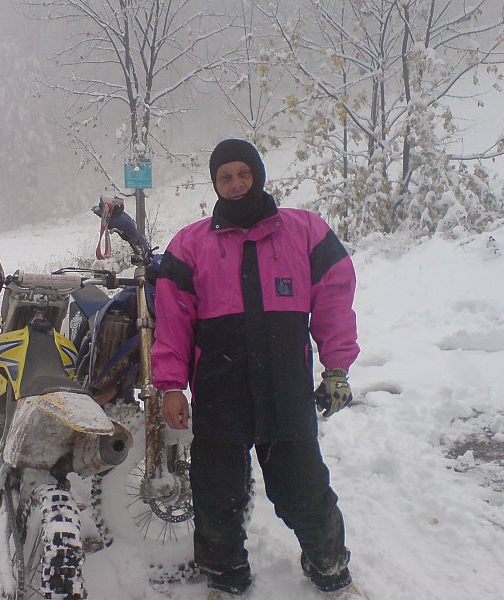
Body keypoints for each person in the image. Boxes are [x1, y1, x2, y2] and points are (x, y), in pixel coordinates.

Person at [151, 139, 360, 599]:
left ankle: (329, 566)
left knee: (304, 488)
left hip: (285, 388)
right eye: (225, 177)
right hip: (219, 389)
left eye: (243, 173)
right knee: (216, 494)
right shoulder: (190, 245)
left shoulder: (306, 232)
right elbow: (172, 322)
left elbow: (334, 299)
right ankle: (225, 576)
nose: (236, 184)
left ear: (258, 175)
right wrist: (171, 386)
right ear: (215, 184)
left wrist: (337, 367)